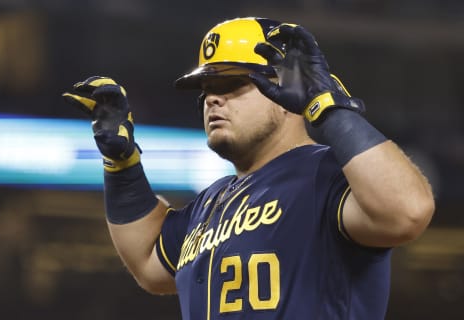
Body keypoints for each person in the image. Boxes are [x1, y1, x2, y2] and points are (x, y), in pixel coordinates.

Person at [63, 17, 434, 320]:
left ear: (289, 87)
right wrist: (122, 167)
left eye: (233, 82)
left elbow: (407, 211)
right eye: (207, 86)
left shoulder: (328, 174)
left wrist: (327, 106)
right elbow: (148, 262)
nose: (212, 97)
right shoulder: (211, 202)